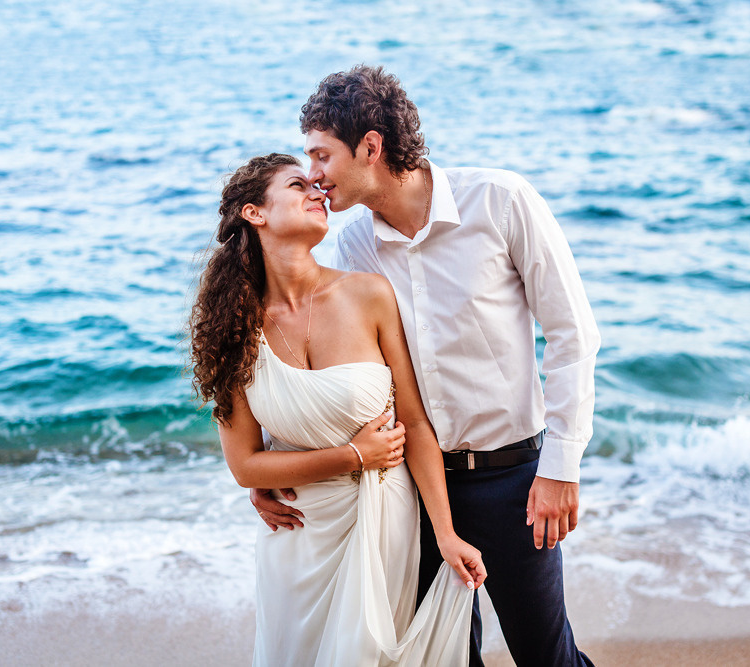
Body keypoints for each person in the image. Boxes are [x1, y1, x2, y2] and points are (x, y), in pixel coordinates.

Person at [251, 67, 601, 666]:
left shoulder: (501, 200)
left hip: (514, 479)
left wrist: (561, 467)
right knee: (437, 658)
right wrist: (269, 461)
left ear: (370, 146)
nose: (313, 175)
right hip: (407, 489)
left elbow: (572, 334)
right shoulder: (354, 245)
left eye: (321, 155)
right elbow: (329, 368)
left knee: (547, 656)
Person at [190, 153, 487, 666]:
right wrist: (353, 455)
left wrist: (445, 533)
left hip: (382, 522)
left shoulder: (369, 294)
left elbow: (414, 423)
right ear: (254, 213)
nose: (318, 192)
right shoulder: (235, 328)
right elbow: (245, 465)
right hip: (298, 531)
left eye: (316, 183)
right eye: (297, 184)